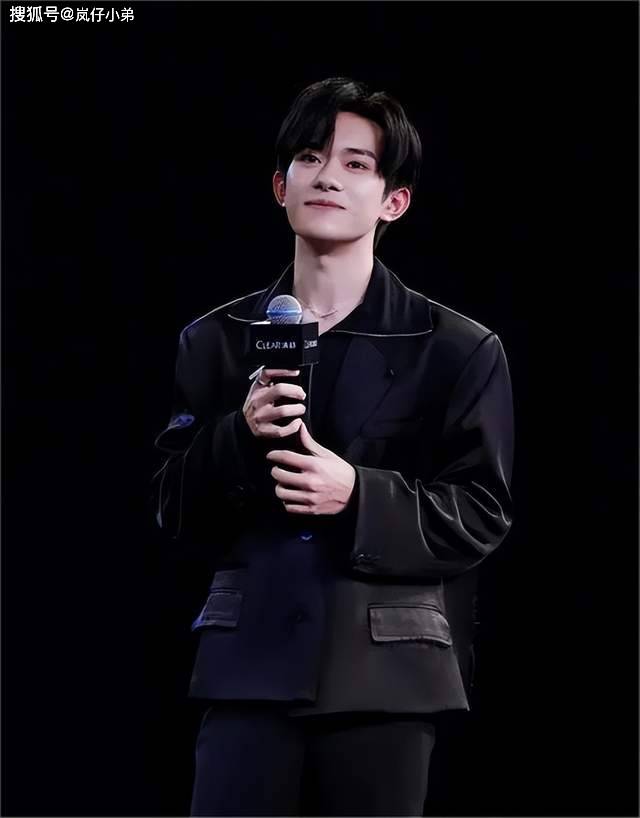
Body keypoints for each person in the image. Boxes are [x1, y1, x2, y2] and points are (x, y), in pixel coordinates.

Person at [151, 77, 515, 817]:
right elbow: (171, 509)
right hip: (247, 672)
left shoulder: (457, 347)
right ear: (279, 186)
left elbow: (481, 512)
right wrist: (237, 435)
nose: (327, 177)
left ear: (393, 201)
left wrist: (358, 495)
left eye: (356, 163)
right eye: (311, 158)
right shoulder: (214, 341)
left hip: (386, 680)